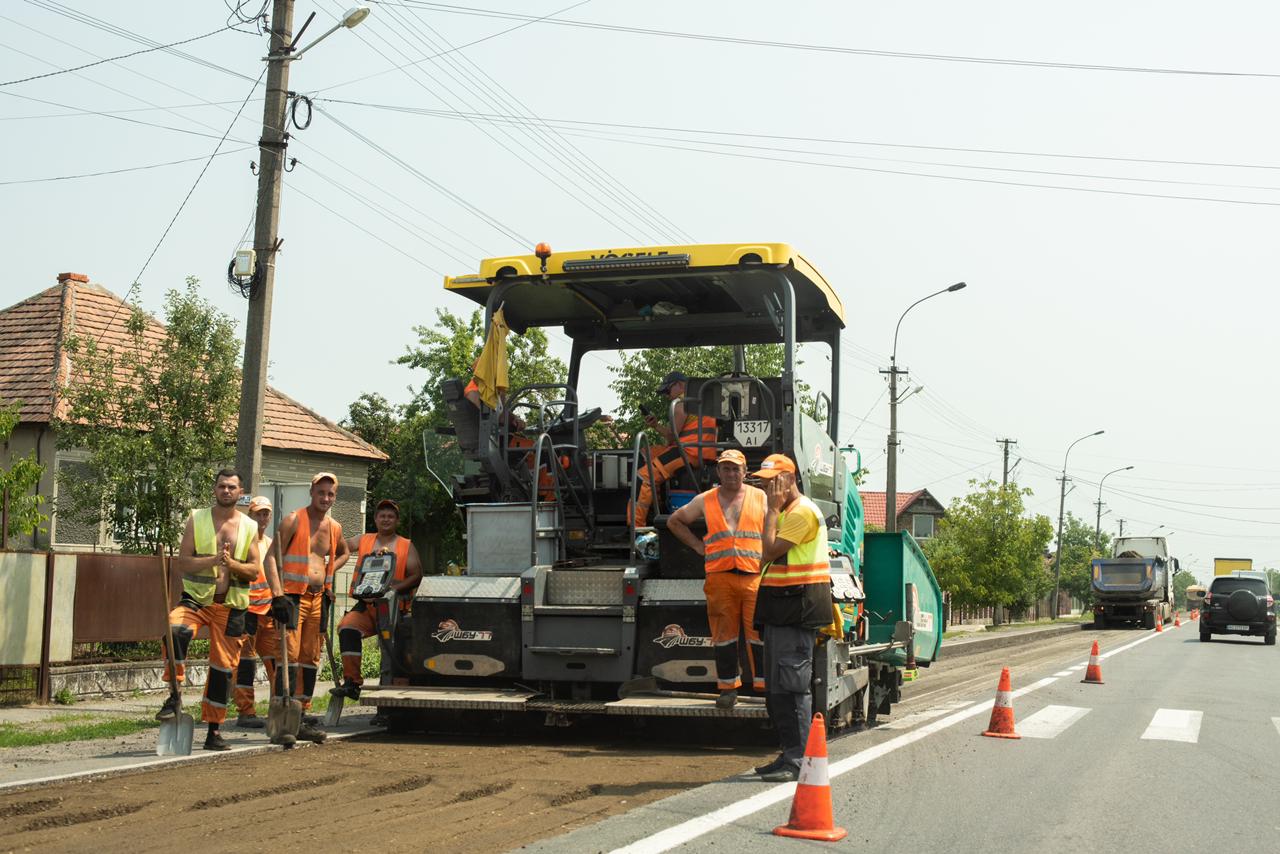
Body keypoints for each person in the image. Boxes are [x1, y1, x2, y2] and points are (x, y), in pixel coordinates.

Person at [158, 468, 261, 752]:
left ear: (240, 492)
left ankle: (214, 731)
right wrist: (213, 560)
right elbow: (183, 562)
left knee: (223, 670)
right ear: (214, 489)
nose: (226, 491)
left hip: (231, 606)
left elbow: (254, 570)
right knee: (174, 630)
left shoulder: (249, 526)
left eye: (232, 487)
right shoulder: (197, 518)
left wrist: (232, 565)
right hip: (196, 599)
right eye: (222, 487)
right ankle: (174, 694)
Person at [750, 453, 833, 782]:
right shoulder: (787, 514)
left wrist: (770, 510)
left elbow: (768, 552)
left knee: (793, 686)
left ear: (789, 480)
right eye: (765, 482)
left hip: (797, 608)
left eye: (772, 482)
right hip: (780, 607)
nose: (767, 487)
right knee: (777, 688)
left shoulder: (801, 513)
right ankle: (788, 754)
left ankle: (798, 759)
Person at [665, 449, 766, 709]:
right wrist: (699, 547)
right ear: (718, 471)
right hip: (720, 577)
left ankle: (764, 687)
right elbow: (675, 522)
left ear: (745, 472)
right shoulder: (705, 499)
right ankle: (728, 688)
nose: (731, 473)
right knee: (724, 636)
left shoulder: (761, 497)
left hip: (754, 576)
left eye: (736, 468)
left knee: (758, 635)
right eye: (726, 468)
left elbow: (774, 529)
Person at [272, 472, 350, 741]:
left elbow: (343, 553)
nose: (325, 498)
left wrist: (330, 571)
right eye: (321, 492)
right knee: (289, 657)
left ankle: (301, 714)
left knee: (310, 658)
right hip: (293, 597)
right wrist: (277, 595)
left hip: (319, 598)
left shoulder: (335, 527)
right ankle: (284, 715)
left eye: (330, 494)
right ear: (311, 492)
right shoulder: (294, 520)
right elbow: (272, 558)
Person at [335, 499, 424, 715]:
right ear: (375, 519)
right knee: (347, 628)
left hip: (395, 608)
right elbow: (339, 547)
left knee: (391, 654)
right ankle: (352, 682)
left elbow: (417, 574)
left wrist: (396, 587)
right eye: (382, 515)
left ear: (397, 520)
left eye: (390, 516)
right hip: (367, 606)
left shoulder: (405, 545)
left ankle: (386, 708)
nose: (386, 519)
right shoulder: (364, 540)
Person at [630, 370, 718, 528]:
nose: (666, 395)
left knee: (645, 476)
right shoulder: (702, 401)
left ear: (679, 385)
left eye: (667, 390)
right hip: (700, 451)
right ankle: (654, 506)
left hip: (688, 451)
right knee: (645, 453)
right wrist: (656, 425)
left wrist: (656, 426)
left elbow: (671, 437)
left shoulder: (680, 404)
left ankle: (636, 528)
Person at [232, 495, 288, 729]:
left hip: (268, 611)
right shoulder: (241, 542)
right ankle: (246, 712)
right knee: (245, 664)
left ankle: (279, 709)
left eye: (266, 513)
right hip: (246, 610)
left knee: (276, 662)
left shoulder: (270, 544)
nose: (263, 518)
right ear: (250, 515)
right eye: (258, 513)